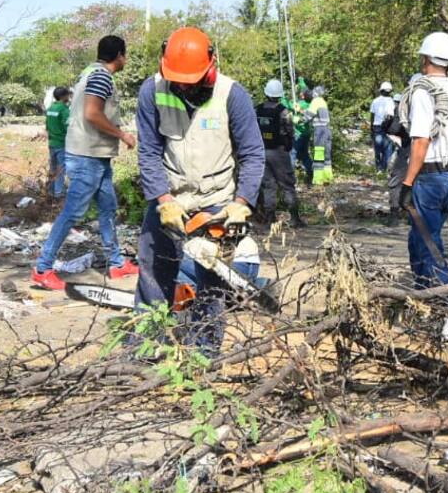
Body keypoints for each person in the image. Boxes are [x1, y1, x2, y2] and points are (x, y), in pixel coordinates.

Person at [134, 26, 265, 353]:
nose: (184, 86)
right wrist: (163, 200)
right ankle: (148, 349)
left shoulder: (232, 95)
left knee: (208, 280)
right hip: (172, 196)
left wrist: (241, 202)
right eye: (178, 80)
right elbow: (148, 151)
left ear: (211, 64)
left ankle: (203, 352)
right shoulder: (152, 91)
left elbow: (252, 152)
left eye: (191, 80)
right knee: (153, 268)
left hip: (216, 201)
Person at [30, 36, 139, 289]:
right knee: (73, 212)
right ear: (120, 55)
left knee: (108, 208)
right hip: (87, 156)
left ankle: (116, 263)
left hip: (96, 156)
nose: (126, 59)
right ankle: (43, 267)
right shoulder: (101, 77)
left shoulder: (89, 72)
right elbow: (92, 113)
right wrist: (122, 134)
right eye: (126, 55)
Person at [396, 33, 448, 337]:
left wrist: (407, 182)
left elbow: (421, 142)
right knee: (419, 240)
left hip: (428, 176)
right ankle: (424, 304)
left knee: (430, 245)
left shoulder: (422, 93)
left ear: (425, 59)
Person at [256, 78, 302, 226]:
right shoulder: (283, 111)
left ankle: (269, 218)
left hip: (262, 152)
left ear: (266, 93)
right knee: (287, 185)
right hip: (279, 152)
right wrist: (290, 144)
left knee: (268, 186)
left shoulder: (258, 109)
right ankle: (295, 218)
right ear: (280, 95)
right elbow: (290, 131)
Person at [44, 86, 72, 199]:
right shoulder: (64, 109)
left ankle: (51, 190)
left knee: (53, 167)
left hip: (52, 143)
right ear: (63, 96)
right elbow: (68, 127)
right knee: (61, 168)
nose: (69, 97)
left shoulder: (51, 108)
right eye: (68, 95)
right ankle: (58, 192)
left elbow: (47, 126)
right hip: (61, 143)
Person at [305, 86, 332, 185]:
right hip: (327, 129)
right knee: (327, 155)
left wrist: (298, 114)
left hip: (320, 130)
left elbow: (308, 116)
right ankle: (327, 178)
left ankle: (318, 180)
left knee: (319, 154)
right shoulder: (323, 101)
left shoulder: (315, 101)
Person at [368, 81, 396, 173]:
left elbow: (372, 115)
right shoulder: (391, 101)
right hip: (387, 128)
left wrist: (371, 128)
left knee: (378, 149)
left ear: (381, 90)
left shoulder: (375, 101)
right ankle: (385, 168)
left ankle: (379, 168)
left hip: (377, 127)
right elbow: (391, 116)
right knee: (387, 149)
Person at [291, 87, 314, 185]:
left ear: (303, 96)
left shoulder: (299, 104)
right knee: (305, 155)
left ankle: (291, 178)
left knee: (292, 154)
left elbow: (287, 105)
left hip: (298, 134)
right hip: (307, 133)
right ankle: (310, 174)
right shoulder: (310, 105)